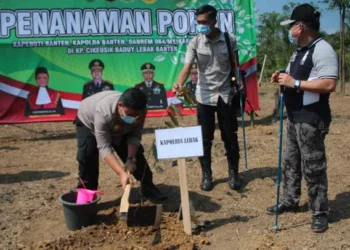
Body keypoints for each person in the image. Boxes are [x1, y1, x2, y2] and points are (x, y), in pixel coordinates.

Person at [266, 4, 338, 233]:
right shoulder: (300, 49)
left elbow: (329, 84)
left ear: (301, 27)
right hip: (294, 117)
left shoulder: (323, 49)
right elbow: (295, 75)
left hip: (311, 118)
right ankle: (290, 199)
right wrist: (281, 75)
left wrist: (294, 83)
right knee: (290, 161)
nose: (289, 31)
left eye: (291, 26)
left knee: (313, 166)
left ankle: (319, 212)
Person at [173, 5, 241, 191]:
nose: (200, 25)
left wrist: (238, 85)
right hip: (204, 96)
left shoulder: (229, 40)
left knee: (230, 136)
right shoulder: (195, 42)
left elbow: (235, 65)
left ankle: (233, 173)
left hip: (225, 95)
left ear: (214, 21)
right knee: (204, 138)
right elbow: (187, 68)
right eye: (198, 22)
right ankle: (207, 174)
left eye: (204, 22)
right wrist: (179, 83)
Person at [75, 88, 167, 203]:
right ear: (120, 105)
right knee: (87, 156)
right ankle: (87, 197)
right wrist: (121, 173)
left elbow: (135, 135)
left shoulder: (141, 111)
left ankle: (148, 187)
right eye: (129, 114)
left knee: (137, 156)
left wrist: (130, 159)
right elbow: (104, 147)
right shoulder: (103, 112)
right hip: (88, 121)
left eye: (136, 115)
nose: (133, 118)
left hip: (119, 126)